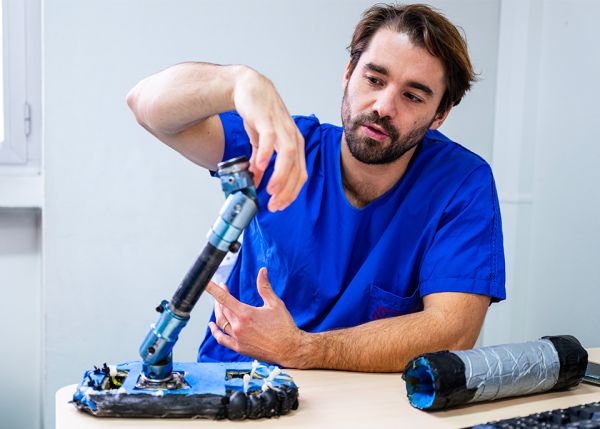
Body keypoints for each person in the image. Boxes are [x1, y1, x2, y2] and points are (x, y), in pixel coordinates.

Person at [127, 3, 505, 372]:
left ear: (440, 114)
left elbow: (453, 333)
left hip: (363, 406)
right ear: (348, 73)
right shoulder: (285, 145)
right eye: (374, 79)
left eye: (412, 96)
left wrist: (303, 350)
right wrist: (238, 81)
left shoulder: (460, 185)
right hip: (237, 387)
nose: (383, 106)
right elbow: (147, 106)